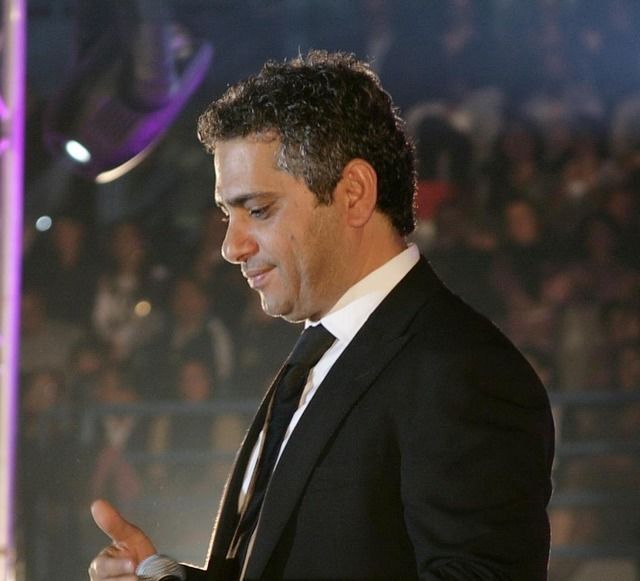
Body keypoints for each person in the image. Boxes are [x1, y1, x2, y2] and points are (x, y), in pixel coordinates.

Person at [89, 51, 554, 580]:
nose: (231, 247)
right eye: (226, 214)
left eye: (258, 210)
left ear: (353, 193)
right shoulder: (322, 355)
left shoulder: (462, 369)